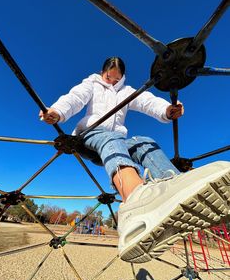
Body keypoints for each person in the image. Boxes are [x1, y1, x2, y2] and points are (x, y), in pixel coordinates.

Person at [40, 57, 230, 263]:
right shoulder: (91, 84)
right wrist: (58, 112)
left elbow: (147, 101)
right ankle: (134, 200)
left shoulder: (126, 91)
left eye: (117, 78)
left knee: (143, 141)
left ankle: (175, 189)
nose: (112, 81)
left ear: (122, 77)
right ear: (102, 73)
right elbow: (74, 98)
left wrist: (166, 109)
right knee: (110, 137)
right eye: (108, 77)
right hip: (89, 136)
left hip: (119, 142)